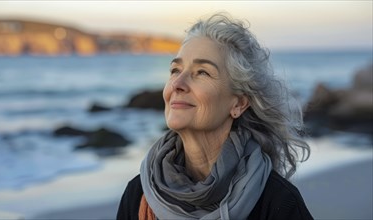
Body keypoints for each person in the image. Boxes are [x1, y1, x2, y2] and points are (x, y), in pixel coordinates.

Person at [117, 13, 313, 220]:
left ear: (238, 103)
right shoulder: (139, 194)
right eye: (175, 70)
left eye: (202, 72)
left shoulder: (277, 201)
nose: (177, 84)